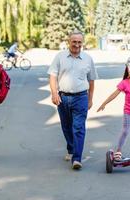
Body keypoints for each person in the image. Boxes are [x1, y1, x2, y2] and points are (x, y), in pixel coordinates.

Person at [48, 30, 98, 170]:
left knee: (78, 128)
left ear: (82, 43)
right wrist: (54, 93)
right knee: (66, 126)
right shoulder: (60, 57)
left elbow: (92, 80)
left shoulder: (88, 59)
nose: (76, 45)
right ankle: (71, 149)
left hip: (81, 97)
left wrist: (90, 99)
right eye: (74, 42)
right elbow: (52, 76)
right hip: (62, 98)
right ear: (69, 42)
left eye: (79, 42)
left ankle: (77, 158)